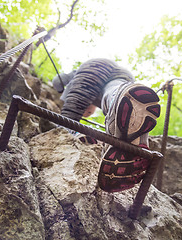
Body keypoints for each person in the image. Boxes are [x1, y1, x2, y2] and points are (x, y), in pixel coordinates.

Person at [52, 58, 161, 193]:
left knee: (69, 117)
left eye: (89, 112)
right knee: (112, 94)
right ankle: (120, 97)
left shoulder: (76, 76)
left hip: (93, 66)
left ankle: (72, 133)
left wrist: (59, 87)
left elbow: (58, 80)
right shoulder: (101, 95)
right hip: (124, 76)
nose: (88, 113)